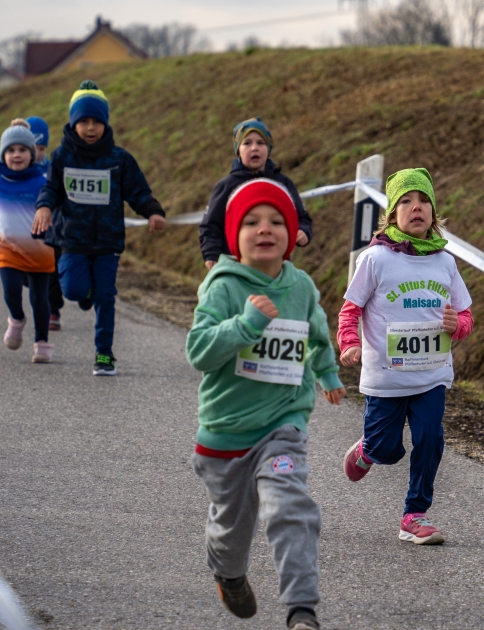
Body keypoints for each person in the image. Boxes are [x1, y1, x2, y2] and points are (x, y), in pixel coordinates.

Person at [186, 178, 345, 630]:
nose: (265, 228)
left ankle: (301, 611)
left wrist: (327, 372)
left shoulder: (301, 287)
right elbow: (199, 351)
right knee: (231, 533)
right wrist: (247, 324)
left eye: (277, 221)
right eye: (251, 222)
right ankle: (228, 573)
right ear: (234, 238)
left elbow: (316, 333)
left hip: (283, 423)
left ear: (291, 235)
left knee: (289, 507)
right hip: (226, 431)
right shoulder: (222, 287)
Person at [337, 167, 474, 545]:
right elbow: (350, 310)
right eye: (406, 201)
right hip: (386, 375)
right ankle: (368, 449)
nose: (417, 207)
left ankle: (415, 514)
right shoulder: (376, 259)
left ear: (433, 213)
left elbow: (464, 316)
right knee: (387, 449)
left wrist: (455, 326)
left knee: (430, 437)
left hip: (431, 374)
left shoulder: (445, 262)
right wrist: (349, 343)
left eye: (424, 201)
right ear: (393, 214)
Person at [32, 80, 166, 376]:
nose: (90, 128)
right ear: (73, 123)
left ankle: (104, 354)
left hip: (107, 242)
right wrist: (43, 207)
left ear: (105, 123)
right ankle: (86, 292)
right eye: (83, 121)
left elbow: (138, 192)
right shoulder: (62, 156)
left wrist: (152, 212)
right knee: (73, 289)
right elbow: (51, 189)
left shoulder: (119, 159)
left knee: (106, 298)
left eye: (96, 121)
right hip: (72, 240)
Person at [0, 119, 54, 362]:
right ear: (3, 154)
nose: (16, 155)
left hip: (40, 249)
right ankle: (17, 319)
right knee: (11, 291)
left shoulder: (43, 183)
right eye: (10, 150)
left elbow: (55, 208)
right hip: (6, 247)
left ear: (33, 154)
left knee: (39, 298)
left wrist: (55, 232)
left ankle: (41, 342)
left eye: (22, 150)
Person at [199, 118, 313, 270]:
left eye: (261, 143)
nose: (254, 148)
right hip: (236, 266)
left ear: (269, 148)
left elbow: (302, 217)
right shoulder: (226, 186)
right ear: (238, 150)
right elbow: (211, 225)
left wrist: (304, 231)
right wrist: (211, 254)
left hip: (276, 267)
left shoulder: (282, 183)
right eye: (247, 143)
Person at [27, 115, 63, 331]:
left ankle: (53, 310)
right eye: (32, 147)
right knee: (28, 275)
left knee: (52, 272)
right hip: (23, 233)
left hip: (51, 232)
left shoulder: (53, 169)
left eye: (41, 147)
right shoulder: (17, 171)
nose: (36, 152)